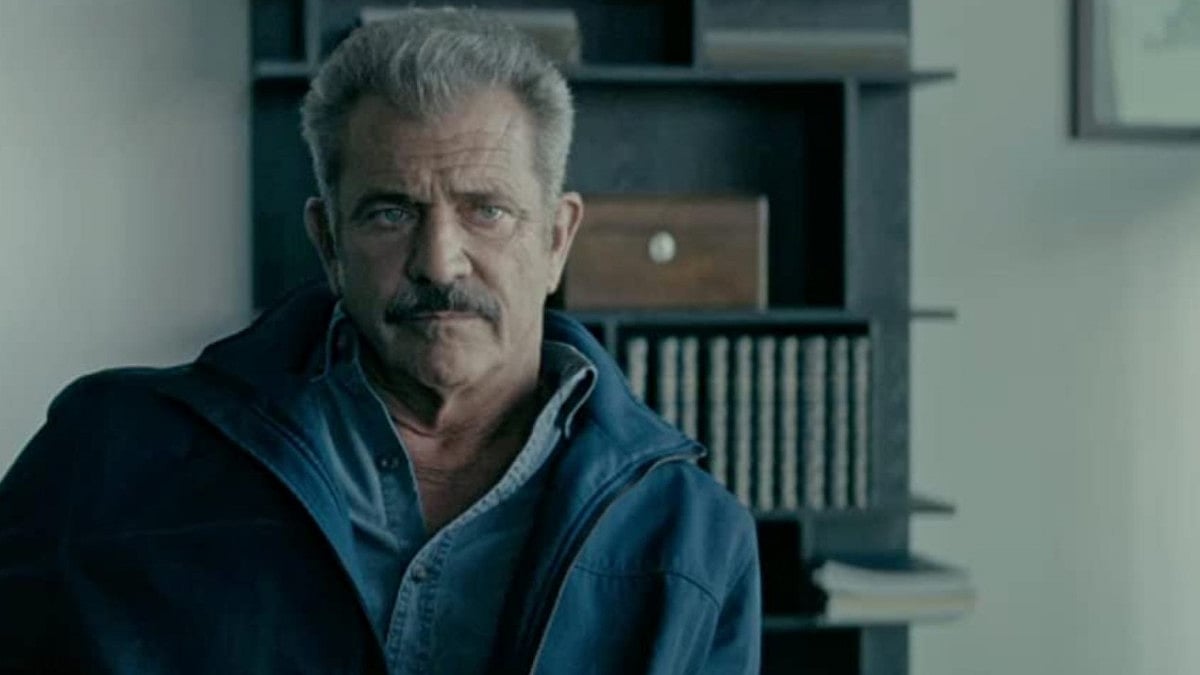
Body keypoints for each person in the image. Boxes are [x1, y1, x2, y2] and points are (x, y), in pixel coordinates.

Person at [0, 8, 760, 674]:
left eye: (487, 211)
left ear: (557, 239)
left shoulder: (692, 535)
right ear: (328, 242)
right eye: (391, 214)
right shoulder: (109, 454)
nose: (439, 262)